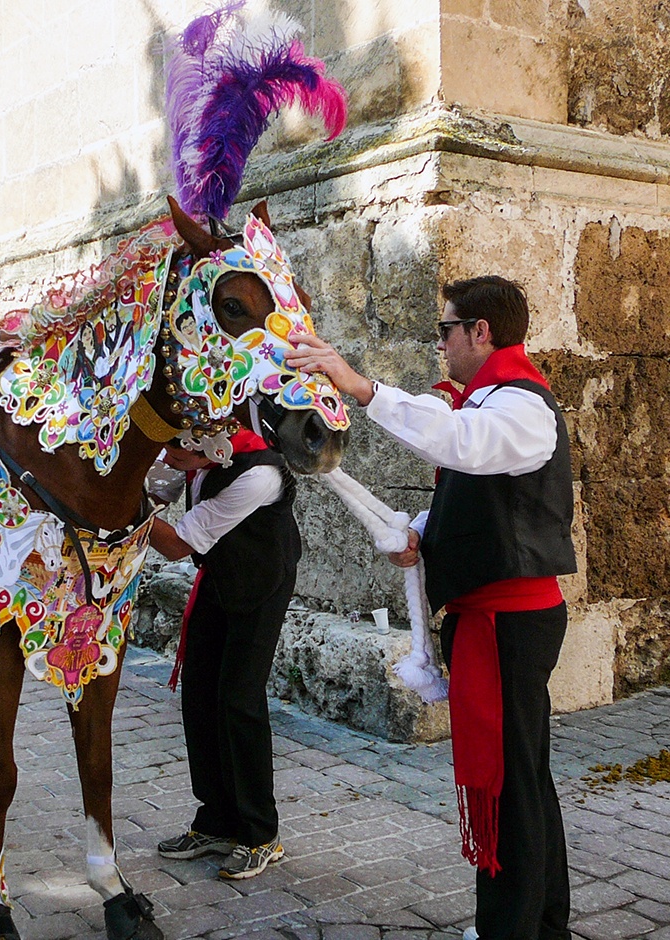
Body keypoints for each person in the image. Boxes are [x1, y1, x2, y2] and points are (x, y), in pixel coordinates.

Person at [285, 276, 575, 940]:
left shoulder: (522, 405)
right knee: (522, 777)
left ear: (482, 332)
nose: (439, 344)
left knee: (508, 781)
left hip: (510, 623)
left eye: (446, 330)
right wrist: (423, 534)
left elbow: (461, 444)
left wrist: (362, 387)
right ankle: (541, 923)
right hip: (498, 619)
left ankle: (513, 928)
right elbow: (479, 498)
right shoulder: (492, 402)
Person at [150, 429, 301, 880]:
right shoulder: (192, 458)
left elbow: (178, 542)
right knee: (199, 693)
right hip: (218, 577)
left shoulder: (260, 474)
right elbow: (157, 486)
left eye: (177, 451)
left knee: (239, 699)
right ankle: (216, 819)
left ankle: (260, 832)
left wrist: (121, 511)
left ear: (211, 448)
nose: (169, 456)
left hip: (261, 584)